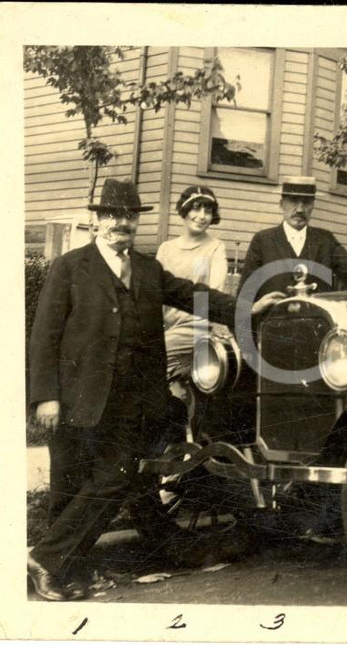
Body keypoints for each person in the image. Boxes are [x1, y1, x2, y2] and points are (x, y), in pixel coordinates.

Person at [27, 179, 283, 601]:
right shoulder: (70, 267)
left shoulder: (147, 269)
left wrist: (247, 309)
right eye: (113, 214)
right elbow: (44, 335)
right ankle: (65, 570)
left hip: (131, 402)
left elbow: (192, 295)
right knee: (70, 485)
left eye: (129, 215)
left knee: (114, 479)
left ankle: (46, 561)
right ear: (98, 219)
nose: (121, 223)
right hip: (77, 397)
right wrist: (45, 396)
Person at [238, 176, 347, 301]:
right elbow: (244, 296)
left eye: (306, 203)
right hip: (275, 317)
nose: (300, 209)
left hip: (317, 317)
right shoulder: (263, 240)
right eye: (293, 201)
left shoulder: (325, 240)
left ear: (313, 206)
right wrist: (255, 310)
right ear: (282, 204)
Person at [156, 185, 231, 405]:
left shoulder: (215, 248)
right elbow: (154, 293)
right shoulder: (166, 249)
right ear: (184, 211)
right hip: (167, 327)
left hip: (197, 327)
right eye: (196, 209)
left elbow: (214, 292)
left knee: (154, 358)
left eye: (208, 211)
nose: (201, 216)